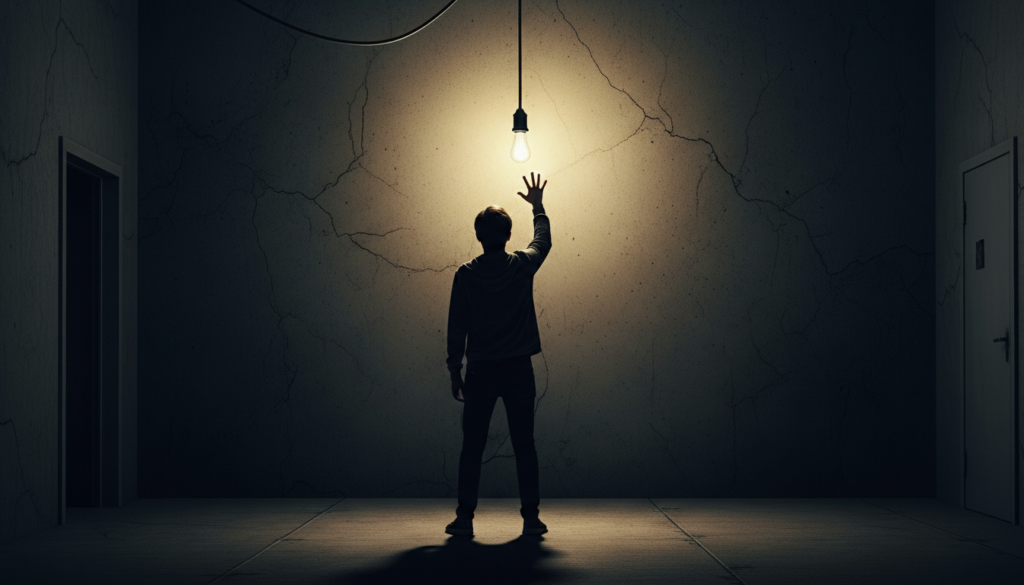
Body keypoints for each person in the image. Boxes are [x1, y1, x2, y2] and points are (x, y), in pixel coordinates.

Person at [445, 173, 551, 537]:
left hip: (481, 372)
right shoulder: (521, 265)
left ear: (478, 235)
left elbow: (457, 327)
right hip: (519, 369)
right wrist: (537, 207)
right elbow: (543, 241)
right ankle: (531, 518)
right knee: (525, 445)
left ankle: (464, 518)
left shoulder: (467, 275)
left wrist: (454, 370)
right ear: (507, 236)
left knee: (472, 446)